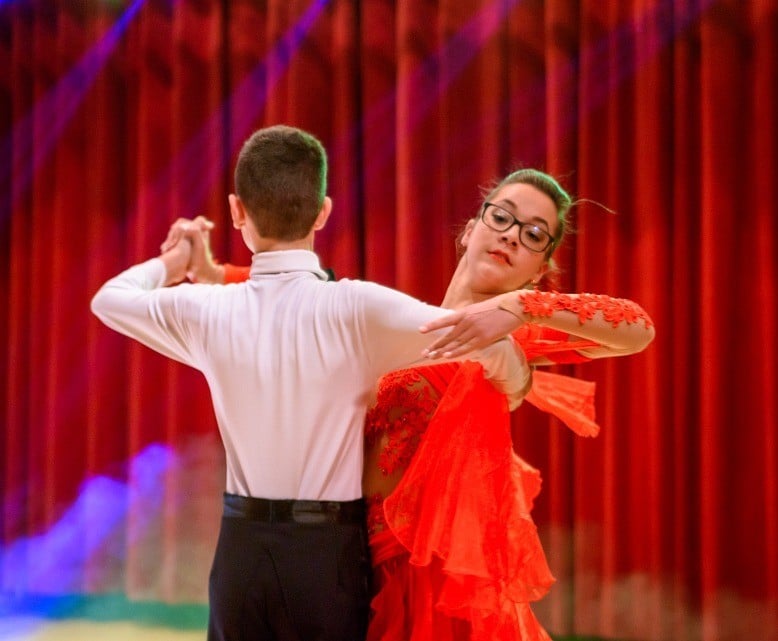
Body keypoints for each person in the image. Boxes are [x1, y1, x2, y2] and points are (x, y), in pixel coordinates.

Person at [167, 168, 655, 640]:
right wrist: (209, 272)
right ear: (470, 230)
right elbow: (301, 305)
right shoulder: (403, 323)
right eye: (501, 217)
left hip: (428, 585)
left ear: (541, 268)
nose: (510, 237)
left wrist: (519, 309)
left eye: (533, 235)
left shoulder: (514, 337)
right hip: (344, 562)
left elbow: (637, 328)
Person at [90, 124, 532, 641]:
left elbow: (109, 299)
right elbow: (479, 342)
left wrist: (176, 262)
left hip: (241, 548)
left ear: (236, 212)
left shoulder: (207, 310)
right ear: (323, 211)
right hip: (327, 553)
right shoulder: (358, 307)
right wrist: (517, 379)